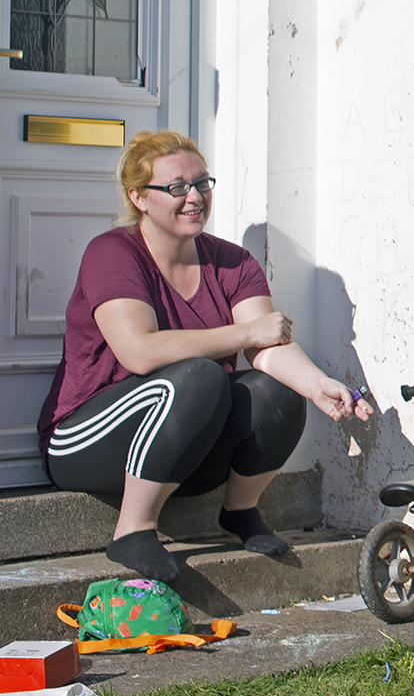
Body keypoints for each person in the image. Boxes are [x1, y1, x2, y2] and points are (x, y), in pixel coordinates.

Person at [37, 130, 373, 584]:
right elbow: (139, 351)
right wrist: (246, 332)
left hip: (180, 447)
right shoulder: (112, 253)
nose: (195, 197)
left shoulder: (232, 262)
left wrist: (319, 386)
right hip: (85, 440)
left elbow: (267, 345)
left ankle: (239, 511)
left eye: (202, 183)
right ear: (139, 197)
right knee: (200, 376)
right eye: (177, 187)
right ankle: (132, 529)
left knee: (280, 389)